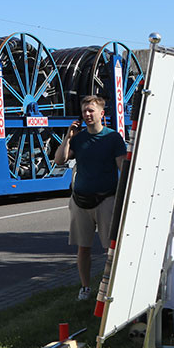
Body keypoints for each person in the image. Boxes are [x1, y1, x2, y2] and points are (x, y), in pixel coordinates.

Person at [54, 95, 126, 301]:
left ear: (101, 113)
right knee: (82, 248)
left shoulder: (113, 138)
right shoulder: (78, 138)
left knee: (108, 249)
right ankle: (85, 288)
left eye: (91, 110)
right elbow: (60, 159)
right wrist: (68, 137)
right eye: (84, 111)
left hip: (106, 200)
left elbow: (122, 165)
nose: (87, 114)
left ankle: (111, 287)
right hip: (80, 201)